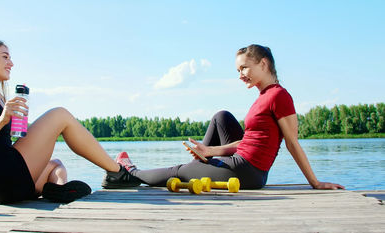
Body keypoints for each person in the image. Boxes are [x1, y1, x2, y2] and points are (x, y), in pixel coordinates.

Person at [115, 44, 344, 190]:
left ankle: (128, 174)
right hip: (243, 165)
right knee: (221, 116)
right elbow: (250, 141)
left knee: (178, 171)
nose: (241, 75)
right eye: (238, 71)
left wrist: (315, 183)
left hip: (246, 172)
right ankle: (202, 161)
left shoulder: (279, 96)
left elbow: (292, 143)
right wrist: (211, 150)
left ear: (263, 63)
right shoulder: (264, 96)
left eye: (244, 68)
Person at [0, 39, 140, 204]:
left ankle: (59, 189)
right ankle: (118, 174)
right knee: (60, 115)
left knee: (56, 165)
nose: (11, 63)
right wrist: (1, 121)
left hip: (0, 189)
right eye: (5, 57)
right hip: (3, 180)